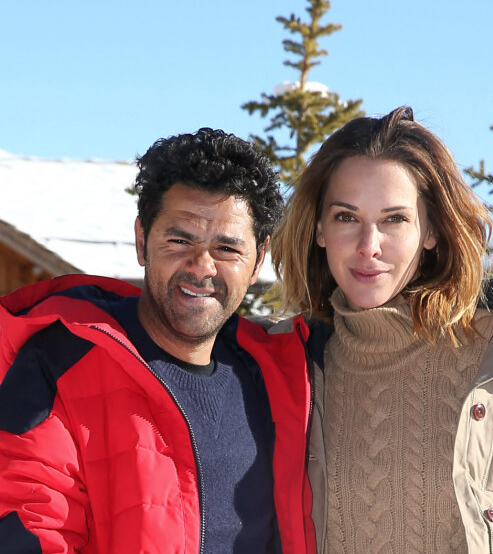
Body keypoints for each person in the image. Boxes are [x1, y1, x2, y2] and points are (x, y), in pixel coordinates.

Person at [268, 106, 493, 553]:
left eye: (394, 219)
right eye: (345, 217)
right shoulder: (286, 365)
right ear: (319, 229)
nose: (368, 246)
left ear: (431, 230)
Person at [0, 128, 317, 553]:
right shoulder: (59, 363)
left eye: (226, 248)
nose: (201, 266)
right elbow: (31, 522)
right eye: (179, 239)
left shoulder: (283, 377)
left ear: (258, 259)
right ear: (141, 240)